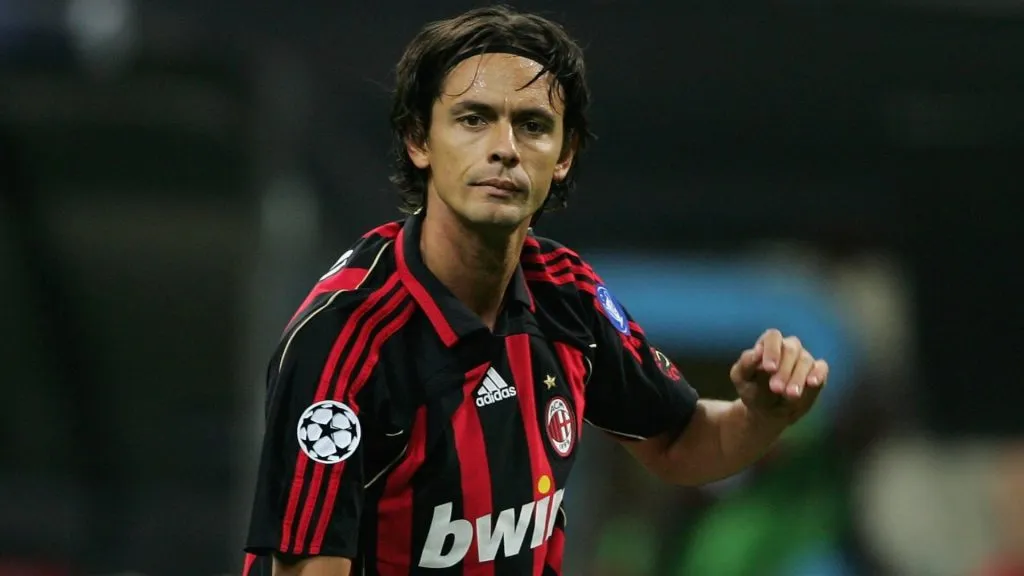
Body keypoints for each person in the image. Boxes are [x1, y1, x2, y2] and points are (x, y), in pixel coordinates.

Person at [242, 6, 829, 576]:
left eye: (532, 125)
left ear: (565, 155)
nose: (505, 149)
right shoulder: (345, 338)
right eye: (473, 119)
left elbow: (680, 443)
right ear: (420, 141)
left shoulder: (567, 295)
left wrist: (762, 415)